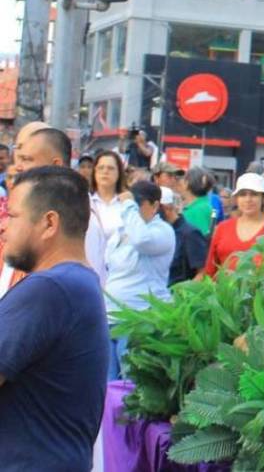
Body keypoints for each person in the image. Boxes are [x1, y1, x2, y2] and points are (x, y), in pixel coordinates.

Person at [0, 168, 109, 470]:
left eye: (13, 215)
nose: (3, 226)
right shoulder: (77, 283)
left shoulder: (50, 288)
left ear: (49, 223)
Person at [2, 127, 109, 298]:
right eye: (18, 157)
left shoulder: (78, 219)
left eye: (27, 159)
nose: (19, 167)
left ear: (56, 165)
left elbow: (81, 291)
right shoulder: (29, 209)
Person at [104, 180, 175, 379]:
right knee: (107, 384)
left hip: (138, 318)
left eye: (138, 203)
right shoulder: (122, 231)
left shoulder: (162, 231)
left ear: (155, 205)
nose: (133, 208)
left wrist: (128, 205)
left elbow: (141, 240)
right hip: (109, 317)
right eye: (131, 203)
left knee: (130, 384)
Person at [203, 172, 264, 276]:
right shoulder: (223, 228)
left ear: (263, 198)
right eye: (243, 194)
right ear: (236, 199)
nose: (248, 199)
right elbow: (210, 270)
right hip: (223, 286)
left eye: (254, 194)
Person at [160, 189, 208, 285]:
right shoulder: (158, 233)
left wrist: (183, 291)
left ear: (167, 209)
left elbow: (202, 272)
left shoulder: (189, 234)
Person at [89, 148, 129, 239]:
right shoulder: (86, 201)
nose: (105, 171)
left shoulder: (127, 203)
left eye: (111, 168)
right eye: (101, 168)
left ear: (119, 173)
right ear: (94, 172)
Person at [181, 167, 217, 236]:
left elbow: (198, 238)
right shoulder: (202, 206)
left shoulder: (198, 210)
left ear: (187, 183)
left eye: (183, 179)